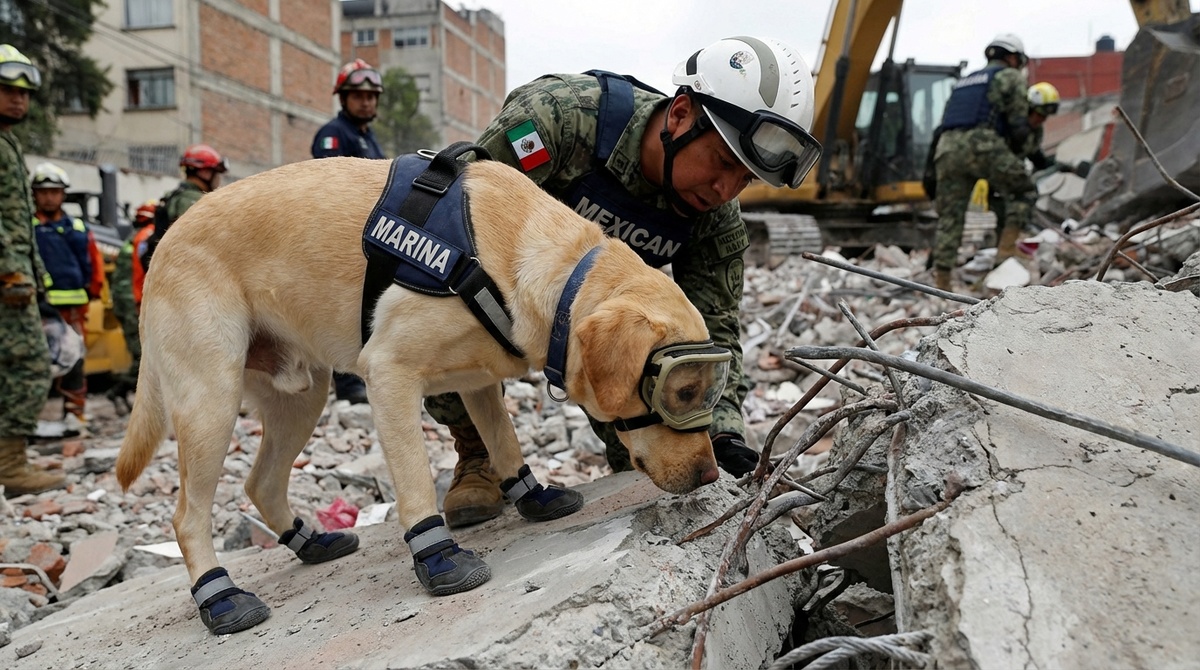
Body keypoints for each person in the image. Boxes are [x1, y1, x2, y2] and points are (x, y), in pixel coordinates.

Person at [425, 36, 822, 527]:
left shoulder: (716, 217)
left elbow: (713, 333)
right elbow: (449, 231)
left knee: (655, 468)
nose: (725, 190)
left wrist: (718, 435)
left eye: (745, 179)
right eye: (722, 162)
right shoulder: (561, 123)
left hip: (608, 326)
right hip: (503, 292)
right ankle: (478, 453)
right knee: (447, 306)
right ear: (680, 115)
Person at [0, 44, 67, 496]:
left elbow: (17, 220)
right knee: (29, 367)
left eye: (24, 93)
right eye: (7, 90)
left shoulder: (7, 143)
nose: (18, 100)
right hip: (8, 284)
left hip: (18, 279)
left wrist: (35, 273)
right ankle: (10, 465)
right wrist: (11, 271)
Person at [930, 34, 1033, 290]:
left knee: (950, 217)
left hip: (947, 150)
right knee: (1023, 191)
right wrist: (1020, 159)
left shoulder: (965, 82)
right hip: (983, 146)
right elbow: (1019, 127)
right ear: (1011, 57)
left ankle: (942, 284)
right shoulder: (1009, 76)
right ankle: (1003, 259)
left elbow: (943, 124)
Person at [311, 58, 385, 404]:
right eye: (358, 95)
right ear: (343, 98)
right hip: (340, 236)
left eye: (372, 96)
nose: (366, 101)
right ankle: (347, 384)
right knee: (342, 305)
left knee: (368, 306)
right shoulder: (332, 135)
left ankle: (364, 374)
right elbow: (328, 187)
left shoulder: (370, 140)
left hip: (371, 236)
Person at [31, 161, 96, 426]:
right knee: (35, 361)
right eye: (43, 191)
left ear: (63, 194)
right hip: (37, 307)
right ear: (34, 194)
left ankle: (74, 413)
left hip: (73, 307)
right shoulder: (27, 226)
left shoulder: (78, 228)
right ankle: (30, 417)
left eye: (54, 191)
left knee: (75, 359)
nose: (49, 197)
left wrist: (93, 291)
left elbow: (93, 262)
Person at [141, 143, 227, 271]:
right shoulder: (194, 201)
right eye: (216, 172)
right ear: (205, 172)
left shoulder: (172, 196)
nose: (219, 179)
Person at [109, 199, 158, 404]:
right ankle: (119, 391)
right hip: (133, 302)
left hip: (127, 301)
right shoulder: (146, 237)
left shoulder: (133, 239)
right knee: (144, 356)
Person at [311, 58, 385, 160]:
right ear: (342, 99)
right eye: (357, 96)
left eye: (370, 97)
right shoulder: (333, 132)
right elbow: (329, 174)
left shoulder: (369, 135)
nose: (365, 103)